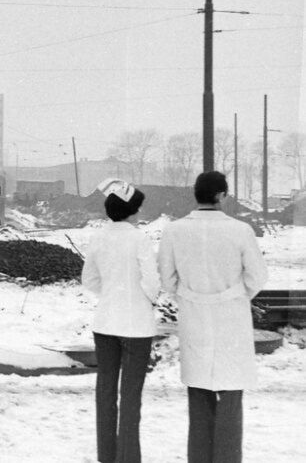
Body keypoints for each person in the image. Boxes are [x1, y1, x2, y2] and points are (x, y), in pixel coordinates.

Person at [159, 171, 268, 463]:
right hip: (231, 317)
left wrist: (189, 294)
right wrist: (236, 294)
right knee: (231, 396)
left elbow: (167, 280)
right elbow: (257, 276)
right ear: (221, 195)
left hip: (194, 317)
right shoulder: (240, 230)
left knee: (199, 395)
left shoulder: (173, 230)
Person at [82, 178, 158, 463]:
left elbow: (88, 279)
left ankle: (107, 456)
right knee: (130, 395)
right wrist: (146, 299)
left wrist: (111, 294)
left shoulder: (98, 237)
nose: (139, 213)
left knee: (105, 391)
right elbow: (151, 280)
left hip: (104, 323)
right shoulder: (140, 238)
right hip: (137, 325)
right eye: (137, 208)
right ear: (131, 211)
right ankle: (128, 458)